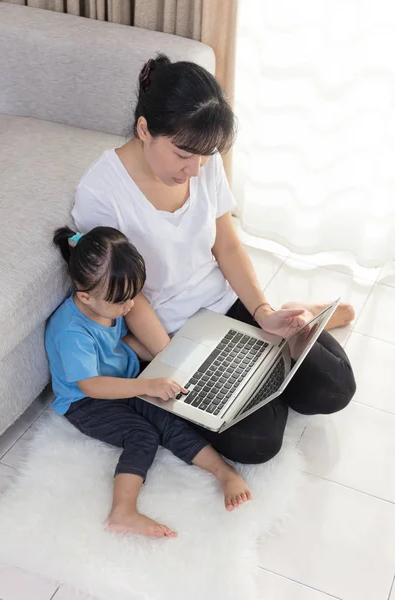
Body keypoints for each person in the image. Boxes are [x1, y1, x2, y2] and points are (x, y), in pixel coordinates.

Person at [72, 53, 356, 466]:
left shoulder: (203, 159)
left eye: (205, 156)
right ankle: (273, 351)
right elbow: (129, 298)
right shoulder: (101, 193)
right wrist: (179, 362)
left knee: (334, 389)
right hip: (169, 332)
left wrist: (261, 312)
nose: (195, 169)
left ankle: (281, 328)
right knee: (259, 443)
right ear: (144, 129)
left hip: (224, 304)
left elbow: (226, 246)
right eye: (183, 155)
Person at [46, 226, 253, 538]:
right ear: (85, 295)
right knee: (142, 435)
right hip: (84, 400)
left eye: (133, 296)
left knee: (165, 416)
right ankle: (123, 511)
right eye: (121, 302)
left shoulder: (107, 304)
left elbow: (116, 341)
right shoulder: (71, 332)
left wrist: (163, 360)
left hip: (119, 377)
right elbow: (92, 386)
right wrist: (146, 385)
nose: (129, 307)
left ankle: (224, 473)